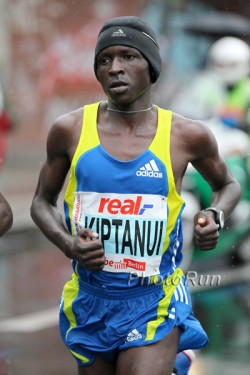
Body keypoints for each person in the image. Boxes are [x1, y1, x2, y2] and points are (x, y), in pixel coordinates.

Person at [30, 16, 241, 375]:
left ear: (151, 66)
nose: (115, 68)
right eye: (104, 60)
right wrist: (69, 244)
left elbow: (228, 184)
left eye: (129, 56)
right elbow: (40, 202)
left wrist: (214, 215)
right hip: (90, 300)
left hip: (154, 299)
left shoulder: (186, 135)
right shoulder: (69, 130)